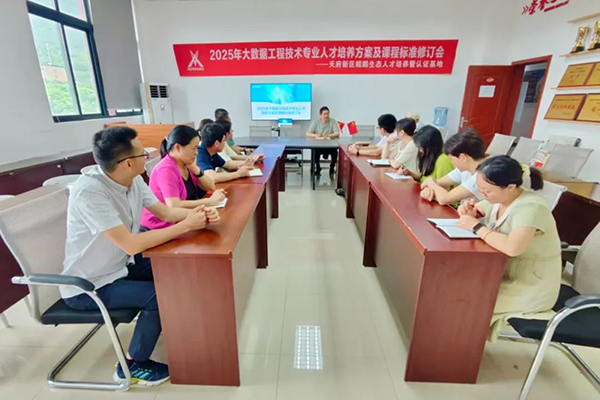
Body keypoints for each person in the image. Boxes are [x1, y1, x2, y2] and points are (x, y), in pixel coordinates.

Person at [61, 126, 220, 386]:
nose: (147, 157)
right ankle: (132, 365)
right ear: (127, 162)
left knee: (178, 266)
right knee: (158, 295)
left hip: (120, 266)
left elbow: (166, 213)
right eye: (142, 154)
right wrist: (186, 225)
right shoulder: (90, 192)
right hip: (90, 284)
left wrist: (199, 215)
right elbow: (131, 244)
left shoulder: (132, 179)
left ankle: (179, 329)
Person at [456, 155, 560, 341]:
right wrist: (467, 211)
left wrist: (477, 227)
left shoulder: (530, 207)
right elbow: (476, 210)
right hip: (503, 273)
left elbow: (513, 248)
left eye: (487, 190)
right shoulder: (499, 199)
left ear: (510, 187)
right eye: (479, 188)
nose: (482, 193)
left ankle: (461, 349)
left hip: (531, 285)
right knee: (460, 291)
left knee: (469, 302)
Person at [141, 125, 226, 230]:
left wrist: (195, 169)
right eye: (194, 148)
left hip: (181, 221)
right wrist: (209, 202)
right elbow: (174, 205)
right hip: (161, 226)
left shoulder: (185, 163)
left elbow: (210, 186)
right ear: (178, 147)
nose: (196, 153)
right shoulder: (166, 169)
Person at [420, 128, 486, 205]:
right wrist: (429, 188)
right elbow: (438, 183)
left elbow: (444, 199)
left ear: (462, 157)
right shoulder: (465, 169)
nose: (451, 162)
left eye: (451, 159)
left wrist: (430, 182)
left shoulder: (482, 176)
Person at [306, 106, 340, 175]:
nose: (326, 116)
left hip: (330, 145)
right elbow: (307, 134)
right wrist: (316, 135)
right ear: (320, 115)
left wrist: (327, 135)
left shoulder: (333, 121)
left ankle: (332, 167)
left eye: (328, 114)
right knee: (315, 152)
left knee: (335, 152)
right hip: (319, 145)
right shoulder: (316, 122)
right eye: (324, 114)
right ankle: (318, 167)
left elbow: (337, 133)